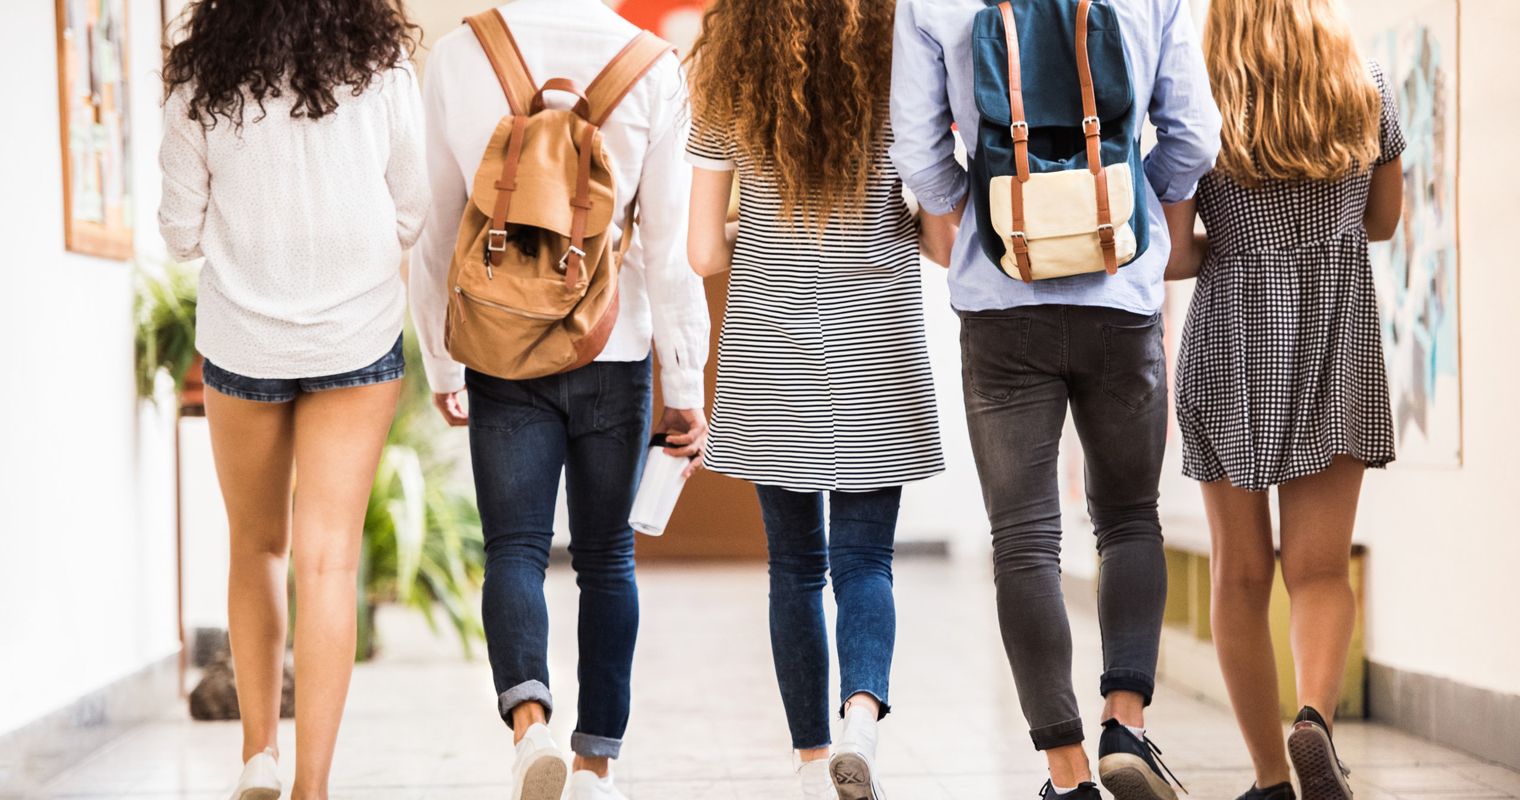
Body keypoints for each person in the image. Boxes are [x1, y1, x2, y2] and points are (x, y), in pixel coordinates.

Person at [889, 1, 1221, 798]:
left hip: (1002, 297)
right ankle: (1126, 724)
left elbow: (918, 149)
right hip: (1121, 291)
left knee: (1024, 540)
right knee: (1130, 516)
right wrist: (1132, 196)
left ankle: (1066, 773)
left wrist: (984, 213)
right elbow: (1195, 135)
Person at [408, 1, 711, 798]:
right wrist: (685, 386)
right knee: (607, 559)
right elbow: (670, 252)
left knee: (514, 548)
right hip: (613, 347)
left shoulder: (461, 54)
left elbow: (438, 229)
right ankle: (595, 767)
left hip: (503, 349)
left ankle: (529, 728)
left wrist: (444, 363)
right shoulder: (651, 68)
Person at [157, 1, 427, 798]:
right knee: (328, 561)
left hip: (244, 340)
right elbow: (410, 210)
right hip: (356, 334)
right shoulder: (383, 73)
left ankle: (258, 757)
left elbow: (179, 234)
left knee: (256, 547)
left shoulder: (199, 79)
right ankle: (313, 788)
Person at [685, 2, 946, 797]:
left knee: (794, 568)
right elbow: (938, 240)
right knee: (865, 560)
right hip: (877, 337)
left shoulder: (732, 73)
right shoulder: (900, 61)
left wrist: (760, 229)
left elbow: (700, 250)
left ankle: (808, 761)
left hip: (771, 344)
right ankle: (860, 720)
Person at [1166, 0, 1406, 796]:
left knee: (1240, 575)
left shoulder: (1197, 97)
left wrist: (1237, 244)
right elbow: (1383, 220)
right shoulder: (1365, 87)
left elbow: (1170, 255)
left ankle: (1270, 777)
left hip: (1230, 342)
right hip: (1336, 338)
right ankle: (1314, 722)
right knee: (1320, 569)